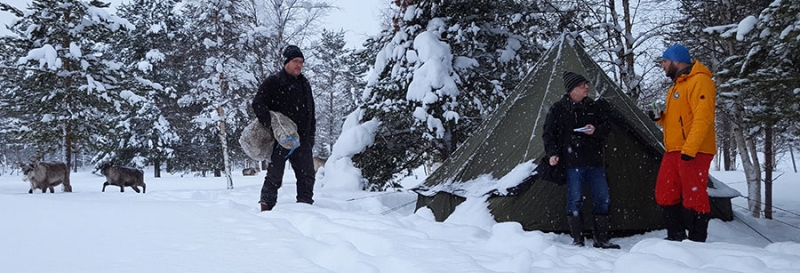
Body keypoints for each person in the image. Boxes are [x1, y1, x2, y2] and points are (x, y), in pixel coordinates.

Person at [542, 71, 620, 249]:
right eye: (581, 85)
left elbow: (607, 127)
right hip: (571, 163)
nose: (586, 87)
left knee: (603, 198)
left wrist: (595, 131)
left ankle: (601, 239)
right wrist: (552, 154)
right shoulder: (557, 109)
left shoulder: (594, 107)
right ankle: (578, 240)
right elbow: (548, 135)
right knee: (574, 200)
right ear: (571, 90)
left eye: (586, 84)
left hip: (595, 162)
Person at [650, 44, 717, 242]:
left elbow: (703, 118)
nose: (662, 66)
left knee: (694, 195)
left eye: (664, 61)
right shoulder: (677, 86)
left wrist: (690, 149)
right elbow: (679, 119)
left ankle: (697, 241)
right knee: (665, 192)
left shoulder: (700, 81)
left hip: (694, 150)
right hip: (674, 149)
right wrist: (660, 117)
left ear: (676, 60)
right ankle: (675, 237)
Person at [252, 45, 316, 211]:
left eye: (301, 62)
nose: (299, 65)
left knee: (307, 175)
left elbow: (311, 112)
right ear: (286, 62)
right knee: (275, 174)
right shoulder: (273, 82)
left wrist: (310, 137)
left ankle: (305, 208)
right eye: (296, 61)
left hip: (302, 139)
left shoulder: (304, 84)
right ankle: (266, 208)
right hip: (280, 139)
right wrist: (270, 124)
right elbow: (258, 103)